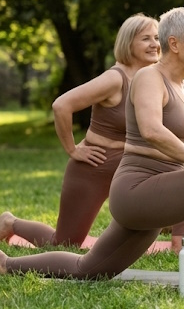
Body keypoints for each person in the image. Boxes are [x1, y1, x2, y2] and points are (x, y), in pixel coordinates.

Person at [1, 7, 184, 290]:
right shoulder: (149, 78)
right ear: (174, 44)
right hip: (136, 191)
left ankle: (7, 264)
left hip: (158, 193)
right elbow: (152, 130)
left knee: (89, 269)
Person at [1, 14, 160, 247]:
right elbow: (61, 106)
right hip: (95, 166)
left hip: (129, 165)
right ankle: (11, 222)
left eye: (156, 37)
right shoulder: (114, 79)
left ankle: (182, 241)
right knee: (65, 243)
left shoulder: (152, 79)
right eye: (145, 38)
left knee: (166, 198)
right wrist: (72, 149)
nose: (155, 44)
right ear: (128, 44)